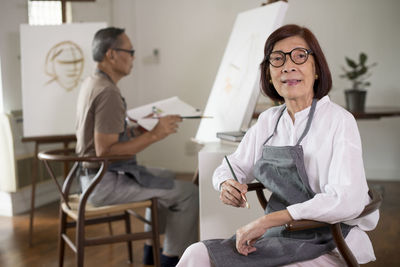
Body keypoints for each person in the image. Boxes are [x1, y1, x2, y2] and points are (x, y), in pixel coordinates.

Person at [177, 24, 379, 267]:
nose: (288, 65)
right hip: (280, 237)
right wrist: (226, 183)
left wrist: (267, 221)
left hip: (332, 239)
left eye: (300, 56)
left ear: (316, 69)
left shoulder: (339, 121)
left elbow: (346, 200)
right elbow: (232, 167)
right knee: (196, 253)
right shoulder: (269, 120)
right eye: (277, 59)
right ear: (269, 74)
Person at [75, 27, 199, 267]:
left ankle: (150, 254)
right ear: (111, 54)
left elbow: (104, 138)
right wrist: (154, 134)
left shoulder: (93, 83)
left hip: (91, 178)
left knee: (164, 175)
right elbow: (105, 151)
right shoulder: (108, 92)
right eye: (129, 51)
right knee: (188, 194)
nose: (133, 56)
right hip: (103, 183)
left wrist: (140, 130)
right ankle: (171, 261)